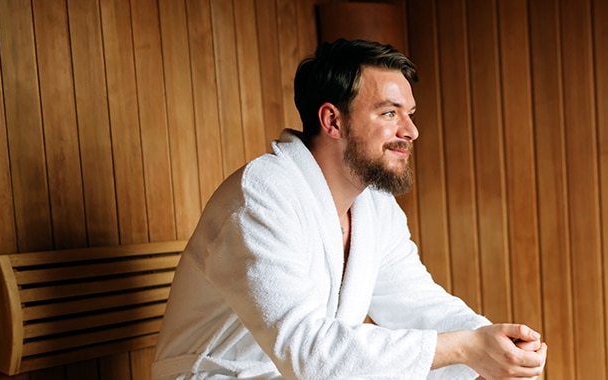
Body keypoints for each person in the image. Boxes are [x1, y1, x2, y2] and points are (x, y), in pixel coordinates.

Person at [151, 39, 547, 379]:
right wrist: (465, 348)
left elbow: (416, 302)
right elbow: (307, 351)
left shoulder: (374, 204)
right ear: (332, 121)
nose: (410, 131)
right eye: (390, 112)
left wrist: (495, 342)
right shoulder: (263, 195)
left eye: (410, 114)